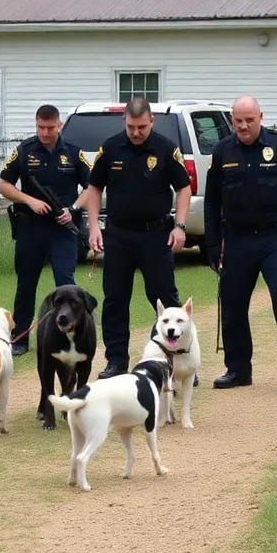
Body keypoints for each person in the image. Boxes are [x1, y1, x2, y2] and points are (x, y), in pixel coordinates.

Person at [203, 95, 277, 392]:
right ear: (232, 120)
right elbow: (211, 201)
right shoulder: (221, 152)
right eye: (238, 120)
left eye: (249, 120)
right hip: (237, 239)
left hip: (274, 239)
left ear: (260, 117)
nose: (243, 126)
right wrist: (211, 244)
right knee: (232, 305)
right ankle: (238, 370)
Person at [85, 96, 191, 378]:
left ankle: (177, 361)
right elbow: (94, 188)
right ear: (124, 122)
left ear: (151, 121)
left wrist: (179, 226)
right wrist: (94, 227)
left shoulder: (166, 149)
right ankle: (116, 361)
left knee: (165, 299)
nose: (136, 132)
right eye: (131, 126)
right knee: (115, 299)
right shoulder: (109, 148)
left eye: (141, 127)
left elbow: (184, 189)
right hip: (118, 234)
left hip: (155, 234)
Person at [0, 104, 91, 355]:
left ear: (59, 125)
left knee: (66, 286)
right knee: (26, 285)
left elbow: (92, 187)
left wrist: (73, 208)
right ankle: (20, 338)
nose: (45, 132)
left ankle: (70, 334)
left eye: (50, 127)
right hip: (31, 229)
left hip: (62, 231)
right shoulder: (24, 151)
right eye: (40, 127)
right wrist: (28, 200)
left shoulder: (73, 153)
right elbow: (4, 185)